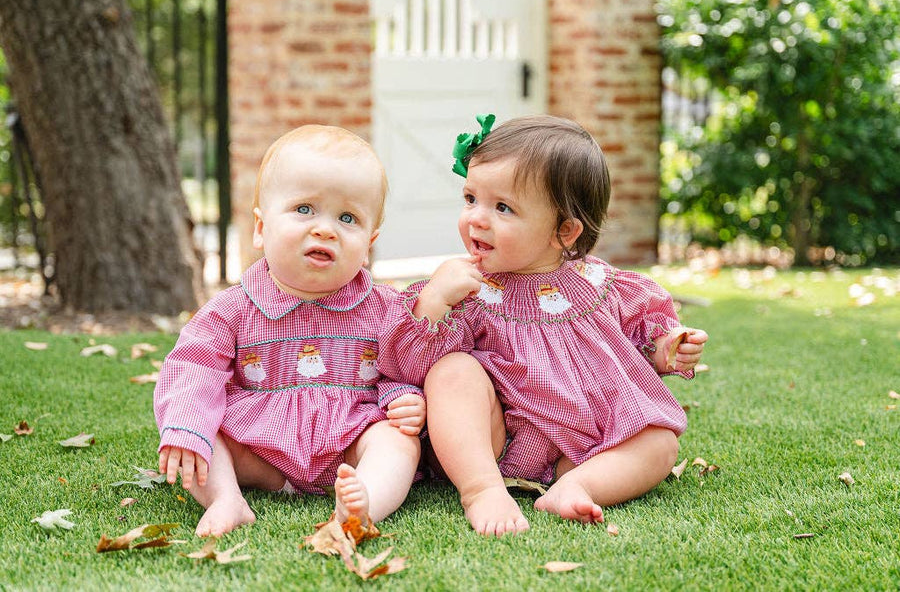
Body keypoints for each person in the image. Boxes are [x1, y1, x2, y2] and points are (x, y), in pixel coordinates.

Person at [377, 114, 708, 537]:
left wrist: (667, 349)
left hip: (588, 446)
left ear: (564, 231)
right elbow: (405, 364)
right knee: (452, 372)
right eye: (470, 199)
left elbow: (640, 347)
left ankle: (577, 486)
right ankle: (481, 489)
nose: (477, 218)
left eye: (502, 208)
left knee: (661, 443)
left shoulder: (604, 287)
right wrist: (435, 301)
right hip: (498, 443)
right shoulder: (466, 288)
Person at [153, 125, 425, 537]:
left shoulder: (385, 308)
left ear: (368, 244)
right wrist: (186, 425)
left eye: (347, 218)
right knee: (207, 439)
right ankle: (227, 498)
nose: (325, 229)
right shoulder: (233, 308)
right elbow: (194, 366)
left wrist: (405, 398)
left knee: (397, 440)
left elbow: (405, 364)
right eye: (304, 209)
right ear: (261, 229)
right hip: (259, 449)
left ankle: (362, 503)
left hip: (348, 443)